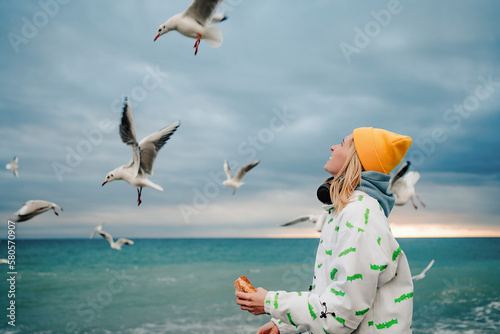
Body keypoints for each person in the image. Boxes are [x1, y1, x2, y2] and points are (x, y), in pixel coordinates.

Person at [235, 127, 414, 334]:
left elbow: (340, 316)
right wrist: (285, 324)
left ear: (356, 160)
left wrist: (270, 303)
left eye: (343, 143)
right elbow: (332, 296)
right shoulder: (345, 211)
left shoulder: (360, 216)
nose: (332, 146)